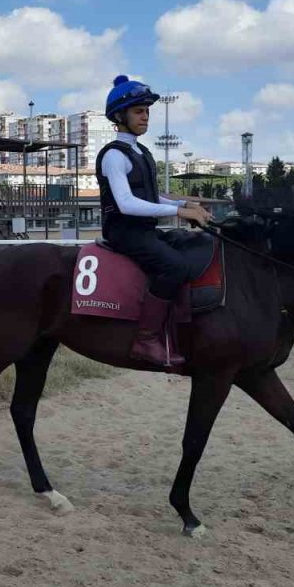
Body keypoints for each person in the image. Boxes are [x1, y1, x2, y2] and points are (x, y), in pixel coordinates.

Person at [95, 75, 213, 368]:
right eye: (138, 111)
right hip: (123, 232)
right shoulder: (113, 155)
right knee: (175, 266)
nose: (145, 116)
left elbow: (150, 196)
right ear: (119, 116)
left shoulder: (141, 152)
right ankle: (145, 340)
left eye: (147, 111)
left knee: (188, 245)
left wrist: (182, 203)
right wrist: (179, 213)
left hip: (144, 230)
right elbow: (126, 203)